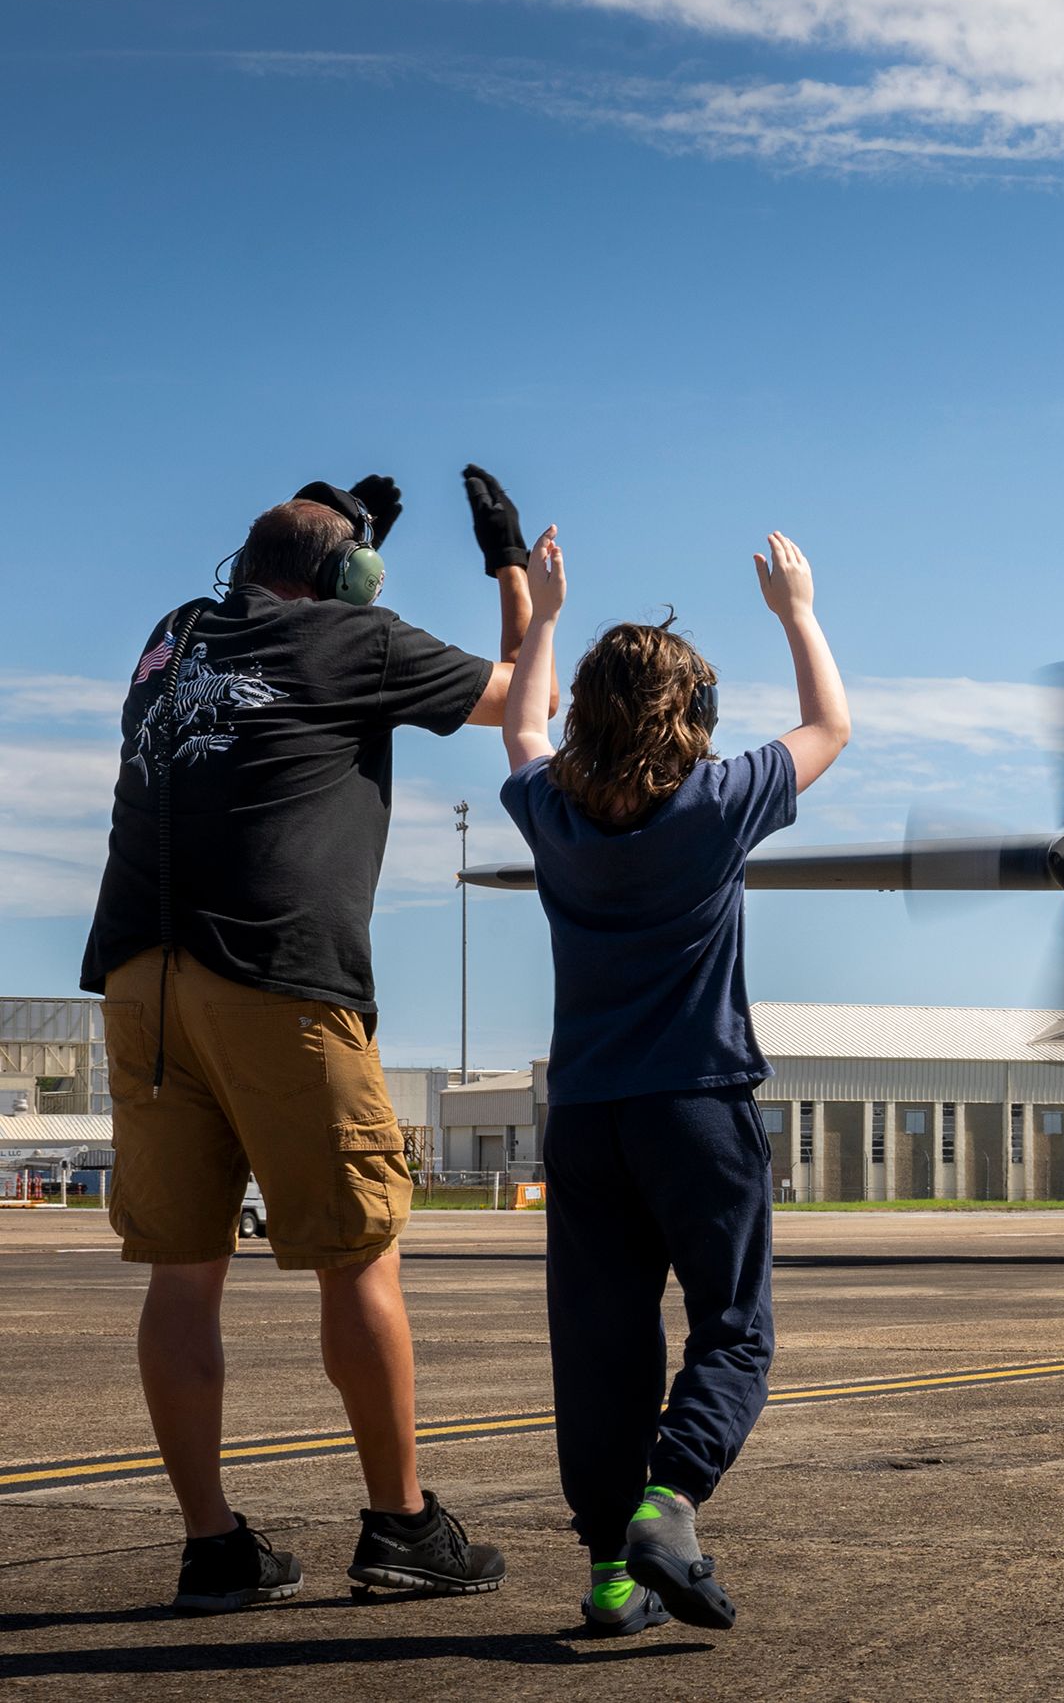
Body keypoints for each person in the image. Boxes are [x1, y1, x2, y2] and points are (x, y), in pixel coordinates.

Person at [84, 467, 550, 1612]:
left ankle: (215, 1548)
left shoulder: (171, 635)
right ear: (349, 581)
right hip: (275, 975)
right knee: (360, 1255)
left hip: (140, 978)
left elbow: (278, 618)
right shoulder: (360, 640)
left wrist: (343, 542)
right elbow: (525, 704)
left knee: (184, 1276)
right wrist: (513, 576)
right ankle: (401, 1526)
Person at [496, 524, 849, 1636]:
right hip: (696, 1105)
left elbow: (518, 724)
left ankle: (611, 1581)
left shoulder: (550, 810)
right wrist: (797, 608)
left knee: (602, 1349)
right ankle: (670, 1498)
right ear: (688, 720)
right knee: (733, 1328)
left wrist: (545, 615)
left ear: (590, 711)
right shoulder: (716, 802)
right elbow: (831, 725)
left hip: (586, 1117)